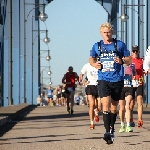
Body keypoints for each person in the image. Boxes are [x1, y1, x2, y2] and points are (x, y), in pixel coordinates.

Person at [89, 22, 131, 144]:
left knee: (114, 107)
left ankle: (112, 129)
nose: (107, 34)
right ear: (101, 33)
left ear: (112, 32)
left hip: (117, 79)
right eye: (104, 32)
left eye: (108, 32)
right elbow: (91, 58)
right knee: (105, 105)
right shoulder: (97, 46)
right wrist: (94, 64)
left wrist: (122, 60)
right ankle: (107, 132)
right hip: (103, 79)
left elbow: (129, 59)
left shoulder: (119, 45)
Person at [79, 62, 101, 130]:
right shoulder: (87, 65)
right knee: (92, 104)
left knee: (99, 106)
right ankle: (92, 123)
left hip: (99, 85)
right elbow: (82, 73)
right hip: (90, 86)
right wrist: (81, 78)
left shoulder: (100, 64)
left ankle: (96, 112)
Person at [119, 62, 136, 133]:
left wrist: (134, 77)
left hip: (129, 87)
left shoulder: (132, 65)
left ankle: (128, 125)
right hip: (120, 87)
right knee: (122, 108)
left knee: (127, 106)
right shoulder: (119, 65)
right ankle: (122, 124)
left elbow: (134, 73)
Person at [130, 45, 145, 127]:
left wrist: (145, 71)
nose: (135, 52)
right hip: (131, 83)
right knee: (131, 102)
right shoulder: (129, 60)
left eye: (136, 51)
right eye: (133, 51)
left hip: (140, 82)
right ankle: (131, 118)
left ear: (138, 52)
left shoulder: (142, 60)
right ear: (131, 52)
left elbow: (145, 68)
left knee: (139, 100)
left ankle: (140, 119)